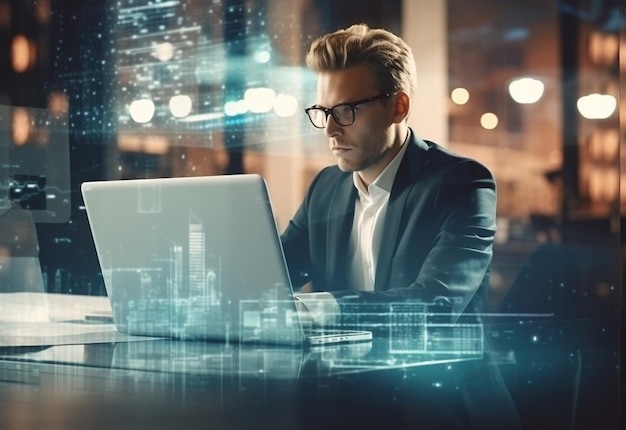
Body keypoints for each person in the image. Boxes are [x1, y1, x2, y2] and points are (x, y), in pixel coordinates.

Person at [280, 23, 497, 325]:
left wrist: (317, 309)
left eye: (345, 111)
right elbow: (274, 274)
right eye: (325, 112)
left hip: (432, 371)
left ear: (398, 107)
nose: (330, 129)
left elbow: (434, 304)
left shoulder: (461, 184)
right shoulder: (325, 188)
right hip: (337, 370)